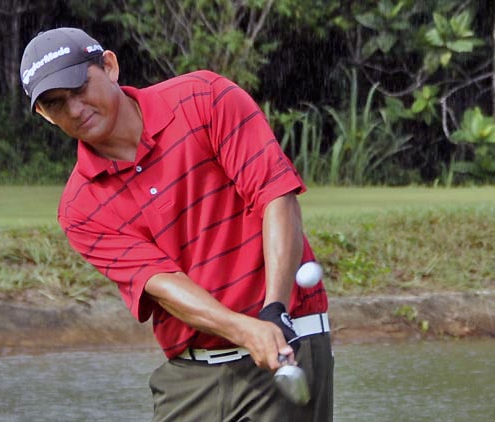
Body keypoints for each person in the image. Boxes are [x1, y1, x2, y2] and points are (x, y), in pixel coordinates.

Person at [19, 27, 333, 421]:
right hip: (190, 376)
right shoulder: (79, 207)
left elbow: (276, 196)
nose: (75, 109)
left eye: (80, 88)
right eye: (55, 104)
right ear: (46, 116)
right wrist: (242, 329)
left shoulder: (204, 98)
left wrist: (274, 310)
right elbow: (161, 283)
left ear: (110, 67)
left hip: (286, 344)